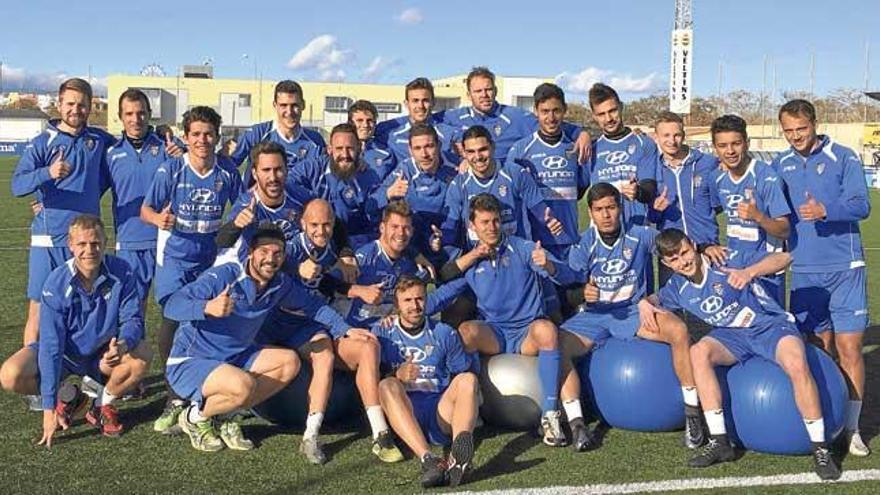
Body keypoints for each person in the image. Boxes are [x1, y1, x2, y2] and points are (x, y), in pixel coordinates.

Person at [647, 228, 841, 480]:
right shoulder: (676, 287)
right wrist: (644, 303)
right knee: (699, 353)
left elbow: (784, 258)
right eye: (673, 259)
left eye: (684, 252)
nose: (683, 261)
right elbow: (655, 299)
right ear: (665, 263)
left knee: (796, 362)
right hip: (732, 335)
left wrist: (749, 272)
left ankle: (820, 449)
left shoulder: (725, 258)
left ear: (693, 245)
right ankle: (720, 442)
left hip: (769, 326)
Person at [163, 223, 361, 452]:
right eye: (264, 252)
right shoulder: (225, 276)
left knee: (289, 362)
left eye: (277, 253)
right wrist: (207, 306)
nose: (271, 258)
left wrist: (344, 329)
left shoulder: (279, 284)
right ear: (250, 253)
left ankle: (225, 416)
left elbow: (312, 306)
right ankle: (194, 417)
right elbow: (172, 306)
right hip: (192, 361)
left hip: (235, 357)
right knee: (244, 385)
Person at [257, 198, 404, 464]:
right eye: (314, 224)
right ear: (302, 223)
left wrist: (346, 329)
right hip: (270, 323)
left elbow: (325, 283)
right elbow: (264, 263)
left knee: (348, 350)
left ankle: (319, 436)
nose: (320, 231)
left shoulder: (331, 250)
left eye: (326, 225)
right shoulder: (287, 249)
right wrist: (293, 268)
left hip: (308, 325)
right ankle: (210, 413)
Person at [559, 183, 701, 449]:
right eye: (599, 209)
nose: (606, 215)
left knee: (679, 331)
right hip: (594, 317)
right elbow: (566, 290)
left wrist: (703, 250)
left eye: (611, 207)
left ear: (621, 209)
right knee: (555, 346)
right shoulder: (584, 244)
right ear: (590, 212)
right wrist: (581, 294)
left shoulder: (641, 235)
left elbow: (673, 248)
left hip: (635, 312)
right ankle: (577, 424)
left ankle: (693, 413)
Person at [772, 99, 872, 456]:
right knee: (817, 350)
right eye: (789, 131)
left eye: (802, 128)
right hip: (804, 272)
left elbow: (862, 205)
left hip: (846, 271)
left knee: (849, 350)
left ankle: (853, 428)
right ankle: (826, 418)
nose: (796, 136)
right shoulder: (779, 163)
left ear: (814, 124)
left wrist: (826, 210)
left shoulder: (843, 157)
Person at [0, 215, 151, 445]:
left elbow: (133, 319)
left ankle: (101, 405)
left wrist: (122, 344)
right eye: (82, 244)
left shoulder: (123, 271)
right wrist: (49, 407)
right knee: (10, 374)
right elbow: (51, 346)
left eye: (95, 243)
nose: (89, 250)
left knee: (142, 355)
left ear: (105, 242)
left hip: (102, 357)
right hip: (65, 356)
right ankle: (69, 397)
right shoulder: (56, 283)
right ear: (70, 245)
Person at [444, 193, 577, 447]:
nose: (491, 227)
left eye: (495, 221)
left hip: (527, 332)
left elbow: (566, 277)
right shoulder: (471, 259)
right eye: (484, 222)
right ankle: (476, 403)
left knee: (548, 330)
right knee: (465, 331)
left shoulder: (524, 248)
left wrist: (548, 265)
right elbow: (445, 279)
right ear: (472, 226)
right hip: (496, 333)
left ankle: (550, 414)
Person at [141, 106, 242, 433]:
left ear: (217, 136)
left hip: (209, 257)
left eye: (208, 134)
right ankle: (173, 399)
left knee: (208, 322)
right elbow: (145, 209)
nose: (202, 140)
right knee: (172, 321)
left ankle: (207, 391)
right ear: (186, 137)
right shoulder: (170, 171)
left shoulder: (226, 173)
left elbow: (241, 207)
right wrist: (158, 219)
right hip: (175, 256)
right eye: (196, 134)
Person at [11, 78, 115, 346]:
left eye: (82, 105)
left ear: (90, 107)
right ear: (59, 104)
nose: (75, 110)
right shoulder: (42, 142)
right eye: (70, 104)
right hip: (49, 241)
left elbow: (128, 150)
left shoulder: (99, 140)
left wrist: (160, 135)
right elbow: (17, 185)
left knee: (87, 310)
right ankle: (34, 380)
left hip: (86, 243)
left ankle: (87, 378)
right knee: (39, 308)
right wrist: (48, 173)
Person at [375, 275, 478, 488]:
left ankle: (460, 458)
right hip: (403, 411)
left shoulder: (444, 332)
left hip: (439, 410)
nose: (415, 305)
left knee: (468, 379)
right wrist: (397, 375)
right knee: (387, 385)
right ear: (396, 305)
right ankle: (428, 459)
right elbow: (370, 379)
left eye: (420, 299)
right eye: (408, 300)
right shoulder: (383, 332)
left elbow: (462, 371)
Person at [506, 83, 589, 317]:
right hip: (537, 243)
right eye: (545, 111)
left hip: (570, 240)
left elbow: (582, 186)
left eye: (556, 111)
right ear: (536, 111)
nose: (551, 117)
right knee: (547, 309)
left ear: (564, 110)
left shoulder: (576, 146)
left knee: (574, 303)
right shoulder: (521, 150)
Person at [104, 89, 184, 305]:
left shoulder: (168, 146)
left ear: (149, 114)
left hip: (169, 241)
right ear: (120, 116)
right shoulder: (111, 154)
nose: (135, 119)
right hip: (130, 244)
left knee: (176, 308)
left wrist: (182, 152)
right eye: (129, 114)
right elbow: (87, 189)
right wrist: (42, 199)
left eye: (140, 113)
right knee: (131, 311)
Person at [703, 115, 790, 306]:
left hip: (766, 268)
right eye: (723, 145)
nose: (730, 151)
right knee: (739, 325)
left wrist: (758, 216)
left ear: (747, 143)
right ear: (715, 148)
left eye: (736, 143)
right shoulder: (716, 178)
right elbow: (709, 213)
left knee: (770, 327)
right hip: (733, 267)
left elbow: (784, 230)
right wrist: (707, 244)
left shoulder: (766, 177)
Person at [435, 67, 591, 165]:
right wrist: (453, 136)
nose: (484, 95)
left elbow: (549, 123)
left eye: (488, 89)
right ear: (469, 95)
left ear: (495, 91)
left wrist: (581, 133)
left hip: (506, 190)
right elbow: (426, 124)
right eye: (478, 91)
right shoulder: (454, 117)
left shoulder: (515, 116)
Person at [649, 111, 721, 286]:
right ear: (656, 137)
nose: (672, 141)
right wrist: (656, 211)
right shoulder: (652, 168)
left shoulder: (708, 163)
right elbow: (652, 218)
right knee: (672, 309)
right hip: (671, 254)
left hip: (707, 249)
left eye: (677, 135)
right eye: (666, 135)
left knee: (710, 307)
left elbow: (719, 204)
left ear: (684, 135)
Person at [374, 123, 458, 269]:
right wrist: (388, 193)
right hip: (413, 241)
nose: (424, 154)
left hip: (448, 237)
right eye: (417, 148)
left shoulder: (456, 166)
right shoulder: (405, 171)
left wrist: (444, 236)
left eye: (429, 146)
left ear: (439, 145)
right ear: (410, 150)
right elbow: (371, 205)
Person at [290, 123, 384, 250]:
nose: (345, 155)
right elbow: (284, 187)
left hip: (349, 246)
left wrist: (347, 247)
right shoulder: (310, 169)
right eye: (339, 148)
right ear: (329, 150)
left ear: (359, 148)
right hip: (310, 241)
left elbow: (373, 227)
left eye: (350, 148)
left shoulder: (369, 178)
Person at [587, 83, 659, 228]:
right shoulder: (590, 150)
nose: (608, 119)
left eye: (612, 111)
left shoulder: (644, 144)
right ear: (594, 116)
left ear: (621, 107)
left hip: (637, 227)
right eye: (601, 114)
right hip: (602, 234)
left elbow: (649, 188)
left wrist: (638, 191)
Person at [227, 80, 325, 186]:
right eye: (283, 105)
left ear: (303, 105)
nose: (289, 112)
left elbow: (324, 180)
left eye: (294, 105)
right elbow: (226, 166)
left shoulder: (315, 141)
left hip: (301, 201)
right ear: (275, 105)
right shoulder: (257, 134)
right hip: (261, 201)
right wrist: (242, 196)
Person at [374, 77, 461, 165]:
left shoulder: (449, 135)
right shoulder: (390, 136)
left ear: (433, 103)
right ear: (406, 104)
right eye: (415, 101)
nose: (420, 106)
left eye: (425, 100)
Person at [348, 99, 397, 180]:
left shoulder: (386, 153)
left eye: (369, 121)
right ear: (350, 123)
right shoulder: (339, 150)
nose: (365, 125)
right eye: (359, 120)